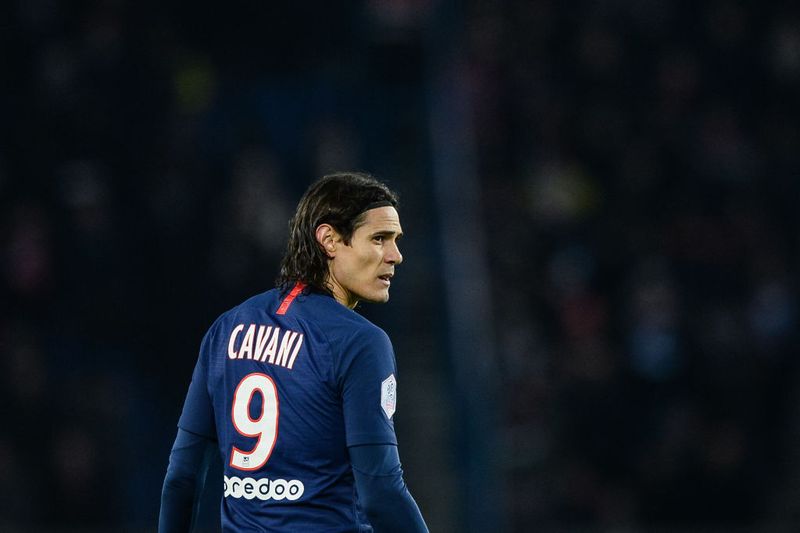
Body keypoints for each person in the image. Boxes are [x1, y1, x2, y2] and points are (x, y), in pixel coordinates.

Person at [158, 172, 429, 532]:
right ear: (329, 240)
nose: (396, 256)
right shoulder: (360, 342)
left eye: (395, 240)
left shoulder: (226, 329)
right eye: (379, 239)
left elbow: (181, 477)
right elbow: (381, 493)